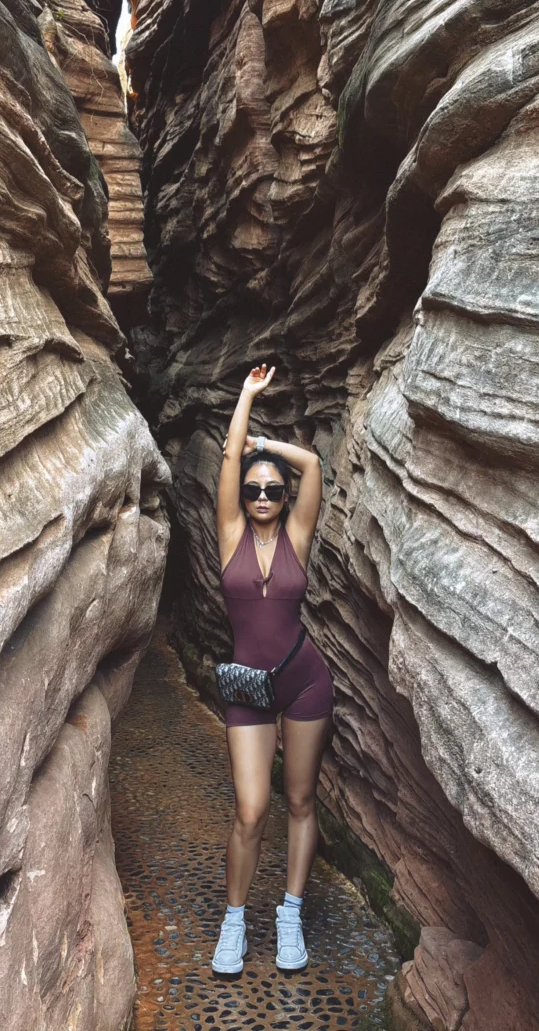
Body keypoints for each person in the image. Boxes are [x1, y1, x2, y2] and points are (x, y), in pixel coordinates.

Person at [210, 363, 334, 976]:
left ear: (285, 500)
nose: (260, 497)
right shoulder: (229, 533)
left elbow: (311, 465)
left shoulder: (298, 536)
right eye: (253, 489)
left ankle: (290, 914)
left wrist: (267, 446)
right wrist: (246, 402)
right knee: (252, 810)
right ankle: (234, 922)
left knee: (301, 799)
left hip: (304, 680)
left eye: (270, 491)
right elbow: (229, 462)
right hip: (248, 691)